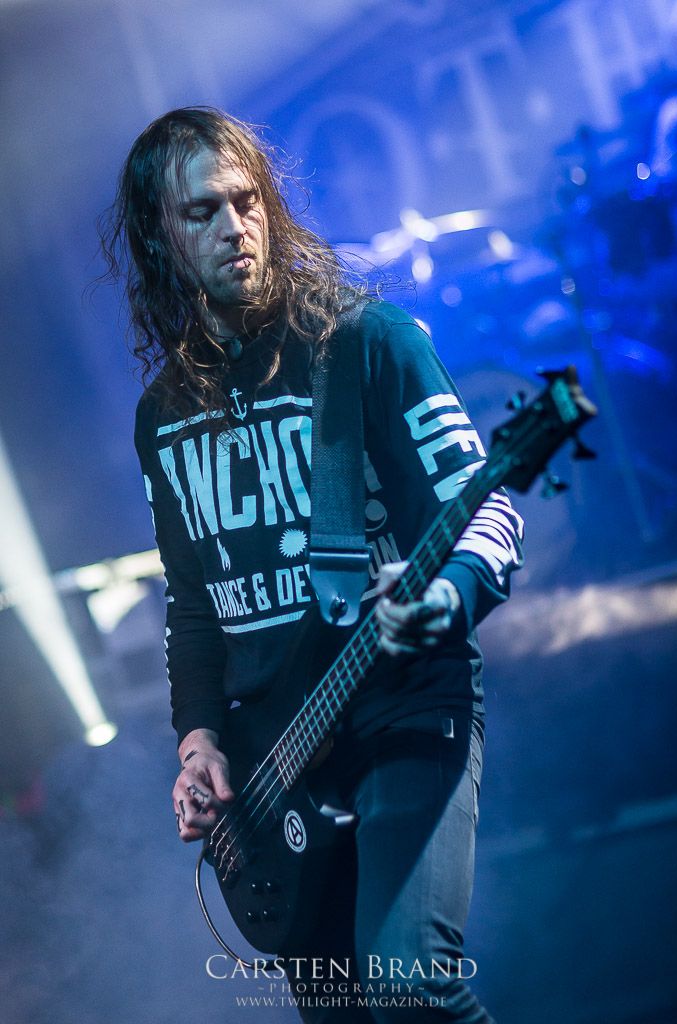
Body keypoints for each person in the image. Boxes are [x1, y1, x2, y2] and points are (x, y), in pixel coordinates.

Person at [103, 106, 524, 1022]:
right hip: (275, 759)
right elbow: (192, 602)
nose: (234, 226)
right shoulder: (162, 415)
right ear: (159, 238)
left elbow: (486, 510)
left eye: (246, 201)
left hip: (400, 704)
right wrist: (199, 741)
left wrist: (444, 601)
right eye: (202, 212)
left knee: (407, 984)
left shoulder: (367, 343)